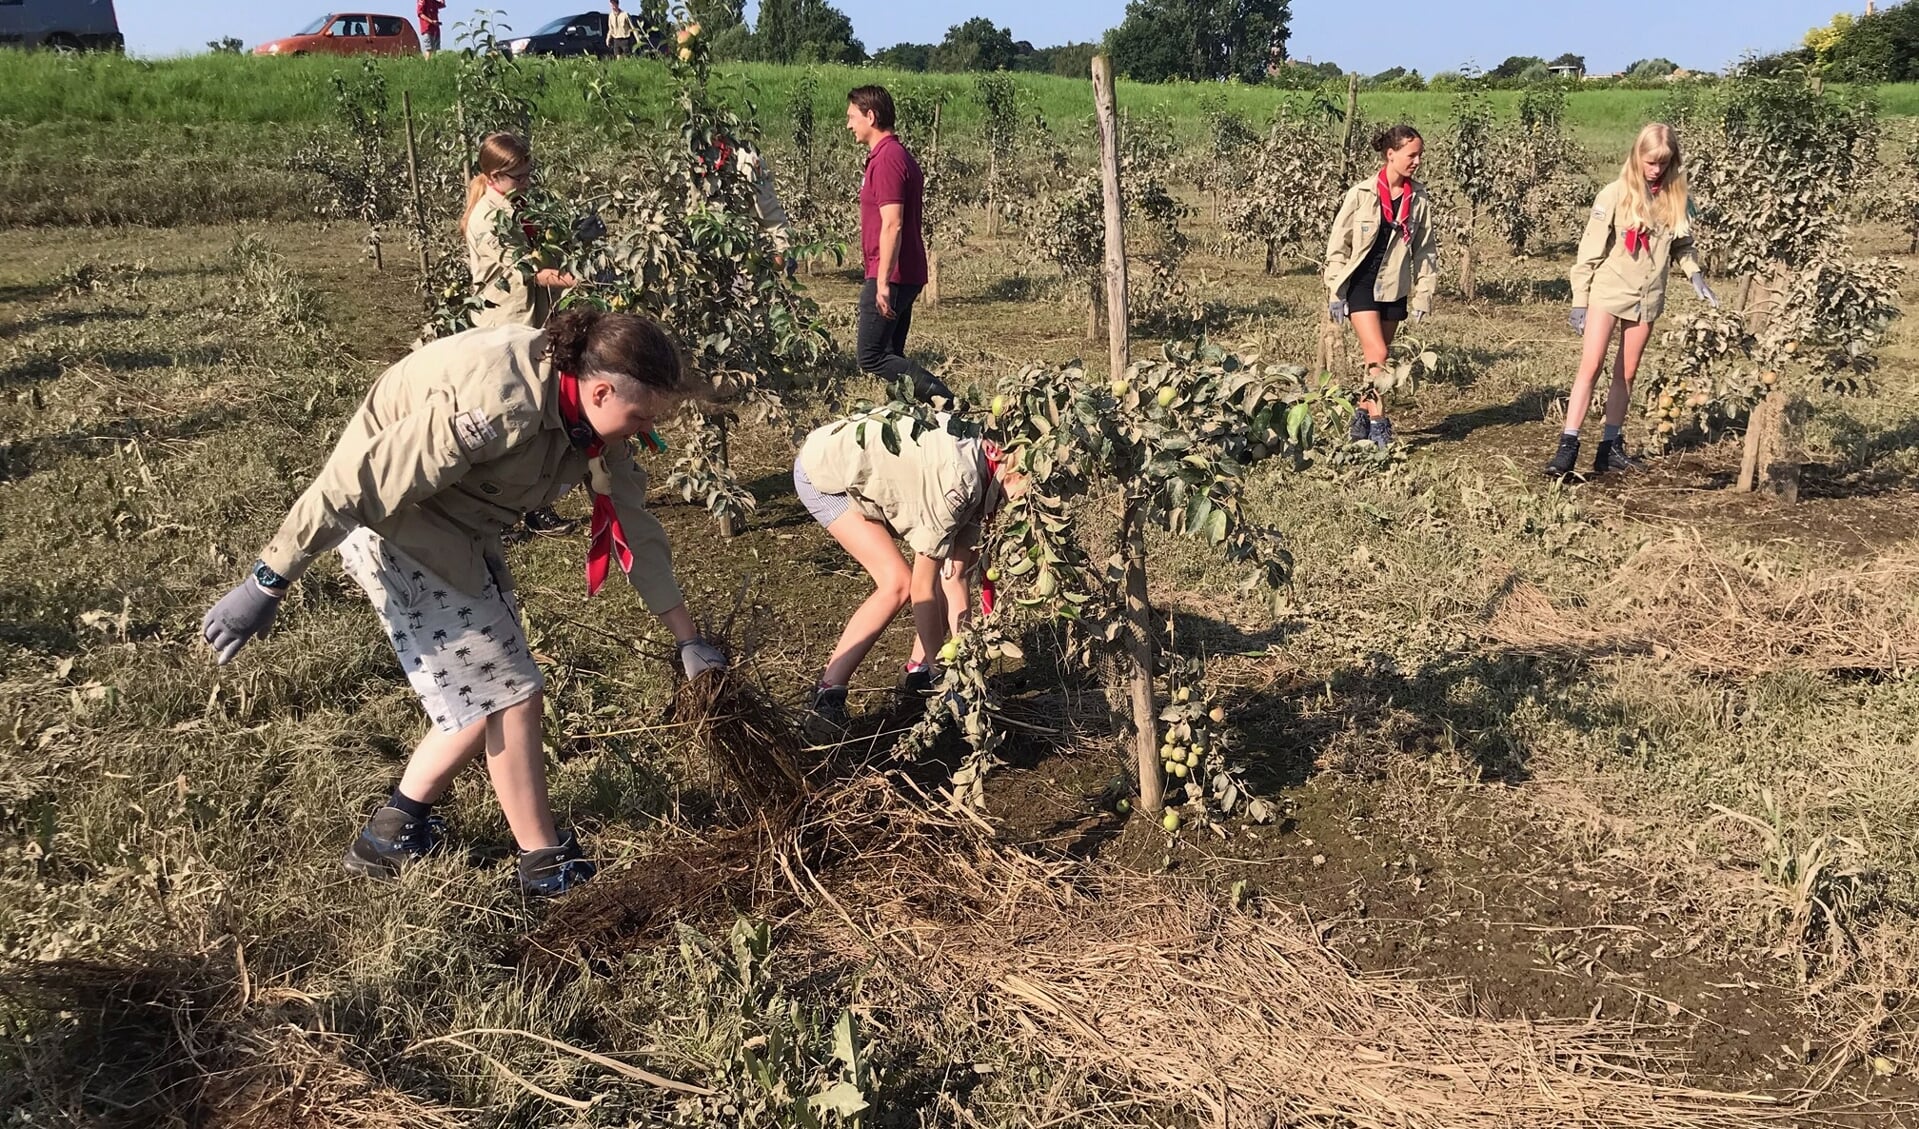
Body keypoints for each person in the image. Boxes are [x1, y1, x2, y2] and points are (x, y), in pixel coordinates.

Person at [199, 311, 729, 897]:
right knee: (511, 692)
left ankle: (392, 833)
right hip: (397, 525)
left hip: (461, 527)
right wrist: (267, 580)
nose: (641, 431)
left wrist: (687, 639)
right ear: (601, 390)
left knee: (482, 691)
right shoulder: (499, 403)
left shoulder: (592, 416)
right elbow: (356, 483)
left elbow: (633, 522)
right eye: (639, 418)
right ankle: (544, 863)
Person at [794, 414, 1026, 729]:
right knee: (898, 583)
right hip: (826, 470)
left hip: (870, 465)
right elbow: (922, 589)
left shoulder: (987, 473)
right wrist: (941, 672)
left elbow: (954, 579)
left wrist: (967, 668)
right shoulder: (961, 481)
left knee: (941, 584)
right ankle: (827, 697)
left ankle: (917, 678)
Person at [1549, 122, 1718, 478]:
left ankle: (1610, 448)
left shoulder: (1678, 198)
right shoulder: (1614, 194)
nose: (1655, 169)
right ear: (1637, 155)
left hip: (1647, 297)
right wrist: (1580, 298)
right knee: (1591, 365)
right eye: (1650, 161)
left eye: (1663, 162)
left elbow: (1682, 246)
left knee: (1626, 373)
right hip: (1609, 292)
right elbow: (1590, 250)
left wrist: (1695, 274)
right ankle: (1568, 445)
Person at [462, 132, 581, 537]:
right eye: (519, 177)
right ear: (495, 176)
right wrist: (565, 278)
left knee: (539, 416)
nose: (526, 183)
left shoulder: (516, 205)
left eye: (529, 175)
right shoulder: (485, 218)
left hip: (531, 322)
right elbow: (524, 270)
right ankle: (500, 509)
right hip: (503, 329)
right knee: (510, 418)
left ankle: (533, 505)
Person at [1323, 124, 1439, 448]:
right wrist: (1335, 289)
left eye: (1420, 156)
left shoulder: (1419, 199)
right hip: (1361, 283)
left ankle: (1360, 418)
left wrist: (1423, 294)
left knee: (1377, 364)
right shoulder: (1361, 194)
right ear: (1391, 154)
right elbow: (1338, 245)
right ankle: (1379, 426)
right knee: (1379, 352)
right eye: (1411, 155)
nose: (1417, 161)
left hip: (1394, 286)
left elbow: (1426, 249)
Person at [845, 85, 954, 408]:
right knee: (891, 356)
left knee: (872, 356)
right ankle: (910, 417)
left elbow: (893, 222)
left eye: (852, 117)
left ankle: (945, 399)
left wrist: (881, 281)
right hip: (897, 272)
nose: (849, 124)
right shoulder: (889, 156)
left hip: (890, 273)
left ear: (871, 116)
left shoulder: (889, 158)